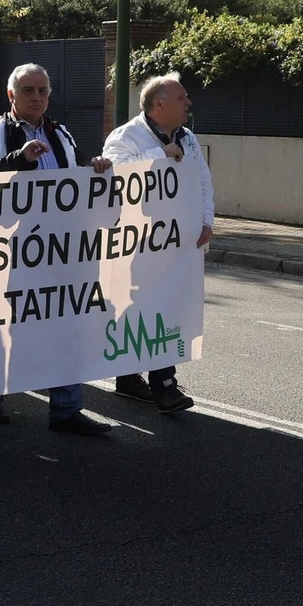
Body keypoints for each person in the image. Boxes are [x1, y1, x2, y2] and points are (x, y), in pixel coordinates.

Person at [0, 63, 115, 435]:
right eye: (28, 91)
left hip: (60, 247)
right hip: (9, 246)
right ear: (10, 95)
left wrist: (92, 169)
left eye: (43, 91)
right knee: (4, 321)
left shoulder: (60, 133)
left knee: (66, 323)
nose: (37, 97)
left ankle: (66, 408)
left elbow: (70, 183)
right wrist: (20, 160)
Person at [103, 73, 214, 414]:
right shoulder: (126, 137)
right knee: (141, 308)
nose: (188, 103)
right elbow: (115, 175)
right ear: (158, 105)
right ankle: (161, 384)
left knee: (169, 307)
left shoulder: (189, 139)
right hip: (138, 246)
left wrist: (206, 221)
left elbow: (202, 181)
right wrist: (159, 153)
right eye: (182, 98)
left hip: (178, 244)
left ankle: (143, 378)